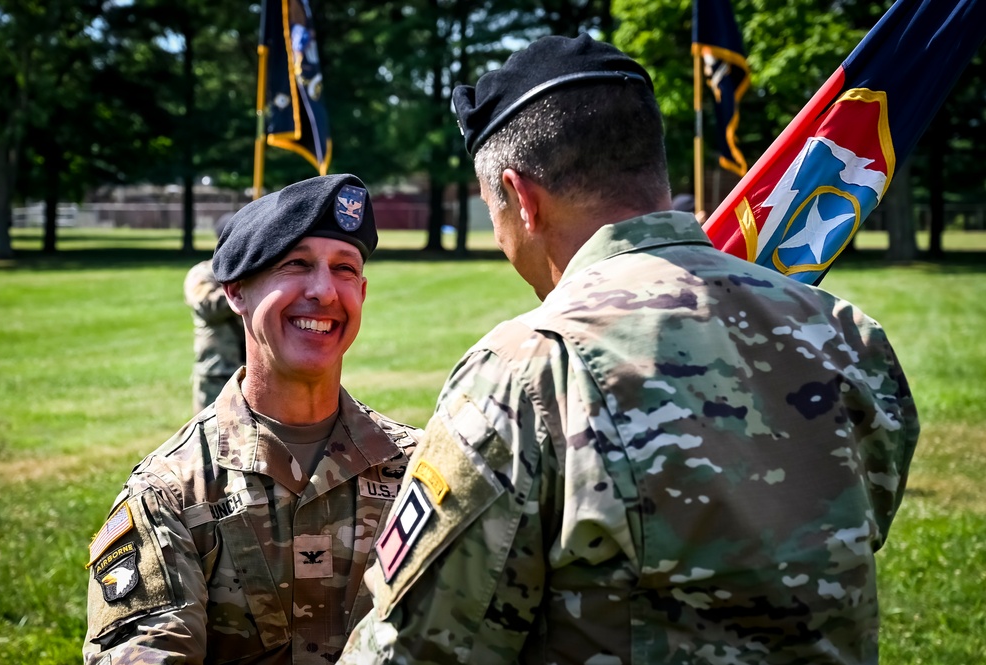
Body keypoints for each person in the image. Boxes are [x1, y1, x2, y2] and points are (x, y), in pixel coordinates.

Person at [341, 35, 919, 664]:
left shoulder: (528, 370)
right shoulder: (848, 336)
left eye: (494, 209)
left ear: (522, 199)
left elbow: (421, 647)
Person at [84, 174, 422, 665]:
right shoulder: (171, 495)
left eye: (344, 268)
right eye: (297, 264)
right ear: (236, 292)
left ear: (363, 292)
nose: (325, 291)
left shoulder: (419, 470)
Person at [184, 213, 246, 413]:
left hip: (252, 370)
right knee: (214, 436)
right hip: (218, 370)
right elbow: (208, 307)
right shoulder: (203, 273)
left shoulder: (250, 274)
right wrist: (246, 290)